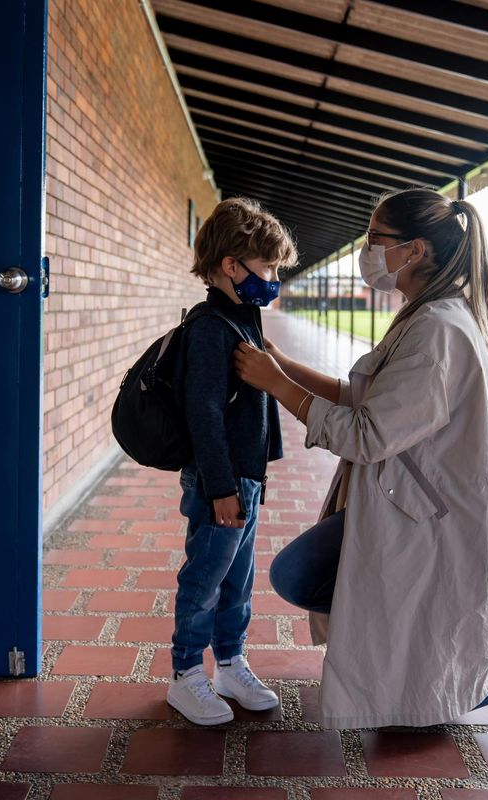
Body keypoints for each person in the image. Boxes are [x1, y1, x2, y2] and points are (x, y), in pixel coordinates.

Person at [234, 188, 488, 729]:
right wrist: (283, 365)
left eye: (375, 240)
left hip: (431, 524)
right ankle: (391, 656)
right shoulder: (425, 316)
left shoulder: (439, 329)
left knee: (438, 685)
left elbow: (367, 434)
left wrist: (279, 387)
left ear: (413, 250)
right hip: (402, 509)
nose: (367, 253)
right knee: (305, 580)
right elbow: (366, 397)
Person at [167, 197, 295, 725]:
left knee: (238, 580)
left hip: (244, 480)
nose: (272, 280)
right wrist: (221, 486)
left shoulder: (243, 322)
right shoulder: (210, 329)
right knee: (205, 579)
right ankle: (185, 675)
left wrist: (253, 477)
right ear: (231, 266)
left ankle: (229, 662)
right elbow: (204, 415)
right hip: (221, 483)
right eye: (266, 269)